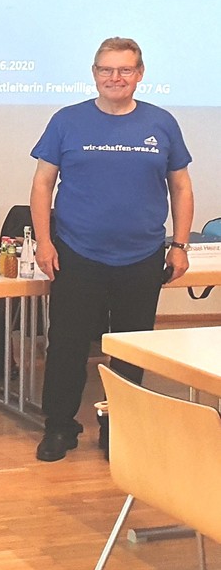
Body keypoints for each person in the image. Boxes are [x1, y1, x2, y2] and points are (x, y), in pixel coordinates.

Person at [30, 37, 193, 462]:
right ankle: (60, 428)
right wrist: (45, 242)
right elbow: (42, 184)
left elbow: (180, 186)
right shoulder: (68, 121)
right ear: (94, 73)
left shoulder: (162, 123)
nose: (114, 77)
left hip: (141, 257)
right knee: (66, 346)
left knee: (129, 348)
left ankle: (118, 426)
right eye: (106, 69)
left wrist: (179, 244)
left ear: (139, 74)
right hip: (76, 255)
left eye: (124, 70)